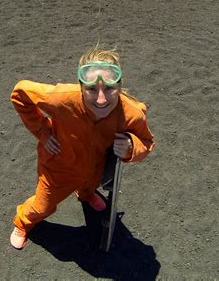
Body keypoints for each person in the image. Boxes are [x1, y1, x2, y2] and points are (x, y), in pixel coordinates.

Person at [9, 46, 155, 249]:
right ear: (81, 87)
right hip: (59, 167)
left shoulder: (130, 112)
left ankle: (85, 195)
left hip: (94, 167)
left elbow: (147, 142)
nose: (101, 99)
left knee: (89, 187)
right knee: (43, 206)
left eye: (110, 88)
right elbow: (20, 93)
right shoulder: (61, 98)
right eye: (92, 89)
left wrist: (131, 147)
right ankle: (23, 222)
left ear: (119, 87)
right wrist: (43, 131)